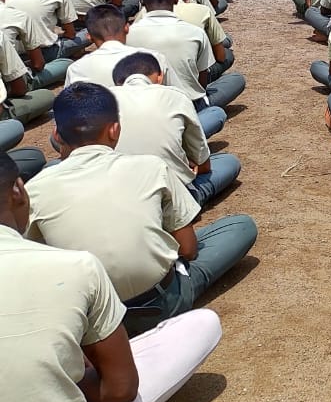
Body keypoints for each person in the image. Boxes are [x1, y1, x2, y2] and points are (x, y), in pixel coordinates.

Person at [0, 153, 224, 402]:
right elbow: (120, 389)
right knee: (203, 323)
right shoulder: (75, 266)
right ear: (17, 189)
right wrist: (66, 374)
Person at [27, 82, 258, 336]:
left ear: (57, 135)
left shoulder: (34, 189)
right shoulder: (152, 167)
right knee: (239, 226)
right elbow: (189, 250)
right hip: (158, 304)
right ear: (115, 130)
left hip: (85, 323)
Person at [112, 52, 241, 208]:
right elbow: (205, 165)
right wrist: (187, 164)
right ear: (160, 77)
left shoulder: (102, 101)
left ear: (117, 83)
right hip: (171, 198)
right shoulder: (175, 96)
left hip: (120, 195)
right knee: (228, 161)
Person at [127, 0, 244, 125]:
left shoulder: (128, 34)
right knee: (234, 82)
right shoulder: (195, 33)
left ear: (142, 0)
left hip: (145, 110)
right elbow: (202, 82)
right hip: (189, 108)